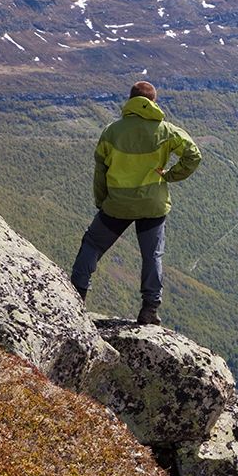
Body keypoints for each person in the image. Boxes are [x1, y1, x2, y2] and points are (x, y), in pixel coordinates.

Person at [71, 81, 201, 324]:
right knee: (152, 255)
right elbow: (194, 155)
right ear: (153, 102)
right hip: (152, 205)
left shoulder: (112, 132)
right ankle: (149, 310)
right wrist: (171, 175)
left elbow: (100, 171)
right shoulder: (166, 131)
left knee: (92, 245)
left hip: (117, 204)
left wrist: (102, 201)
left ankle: (76, 297)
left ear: (130, 100)